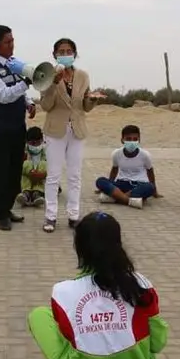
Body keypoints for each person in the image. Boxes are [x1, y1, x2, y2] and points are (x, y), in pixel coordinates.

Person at [27, 211, 168, 359]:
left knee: (39, 315)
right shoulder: (142, 287)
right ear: (118, 244)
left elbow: (68, 338)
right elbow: (158, 343)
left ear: (80, 248)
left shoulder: (62, 291)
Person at [38, 38, 106, 231]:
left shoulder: (83, 76)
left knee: (75, 175)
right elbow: (46, 105)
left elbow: (85, 105)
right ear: (54, 54)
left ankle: (73, 215)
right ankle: (50, 217)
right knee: (53, 175)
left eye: (69, 51)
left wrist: (93, 100)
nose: (65, 54)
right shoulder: (47, 74)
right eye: (61, 51)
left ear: (75, 54)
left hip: (77, 129)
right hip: (55, 130)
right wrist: (52, 84)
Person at [0, 24, 37, 231]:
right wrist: (26, 84)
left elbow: (18, 87)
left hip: (17, 128)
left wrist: (28, 102)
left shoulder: (14, 64)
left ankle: (8, 208)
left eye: (12, 40)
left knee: (14, 173)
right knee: (1, 173)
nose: (12, 45)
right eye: (7, 41)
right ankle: (0, 213)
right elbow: (3, 96)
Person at [93, 125, 161, 215]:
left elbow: (150, 172)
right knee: (100, 181)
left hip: (138, 185)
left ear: (139, 140)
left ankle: (115, 197)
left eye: (135, 139)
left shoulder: (145, 155)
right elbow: (114, 170)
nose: (132, 142)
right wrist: (109, 184)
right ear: (122, 140)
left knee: (149, 187)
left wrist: (155, 191)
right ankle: (130, 201)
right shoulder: (117, 153)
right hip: (121, 183)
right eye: (128, 139)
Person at [18, 126, 47, 208]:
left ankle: (36, 194)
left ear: (41, 140)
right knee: (26, 164)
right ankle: (26, 194)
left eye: (36, 142)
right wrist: (30, 171)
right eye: (31, 143)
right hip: (27, 177)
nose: (34, 145)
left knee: (43, 164)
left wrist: (41, 174)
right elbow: (19, 166)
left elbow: (52, 168)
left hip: (42, 177)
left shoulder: (46, 150)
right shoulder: (24, 150)